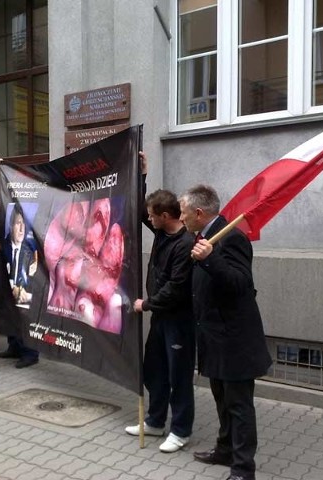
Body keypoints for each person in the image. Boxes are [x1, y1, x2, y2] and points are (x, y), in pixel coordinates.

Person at [179, 184, 272, 480]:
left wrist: (210, 258)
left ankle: (244, 469)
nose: (181, 219)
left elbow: (240, 284)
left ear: (198, 212)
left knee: (239, 405)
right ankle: (225, 449)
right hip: (214, 337)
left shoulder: (232, 237)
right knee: (221, 398)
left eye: (183, 213)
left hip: (234, 340)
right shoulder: (202, 236)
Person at [125, 153, 196, 453]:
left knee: (178, 375)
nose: (149, 219)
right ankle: (155, 422)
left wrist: (147, 304)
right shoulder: (162, 231)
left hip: (178, 321)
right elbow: (140, 212)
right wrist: (142, 175)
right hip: (160, 319)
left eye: (153, 216)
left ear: (166, 216)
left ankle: (181, 431)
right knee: (154, 369)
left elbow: (177, 288)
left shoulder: (185, 244)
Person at [0, 202, 39, 369]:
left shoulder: (30, 246)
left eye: (23, 224)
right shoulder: (6, 243)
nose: (21, 228)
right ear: (11, 225)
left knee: (24, 321)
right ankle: (14, 346)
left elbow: (34, 273)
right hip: (9, 290)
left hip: (25, 293)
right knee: (11, 318)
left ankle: (30, 353)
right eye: (17, 223)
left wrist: (22, 288)